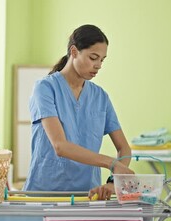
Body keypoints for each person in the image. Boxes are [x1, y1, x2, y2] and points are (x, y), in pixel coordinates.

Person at [23, 24, 134, 200]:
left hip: (89, 196)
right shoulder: (45, 88)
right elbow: (60, 146)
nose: (98, 65)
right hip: (46, 194)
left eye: (102, 60)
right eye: (93, 57)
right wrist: (111, 164)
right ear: (74, 52)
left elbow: (124, 148)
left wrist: (113, 182)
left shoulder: (100, 96)